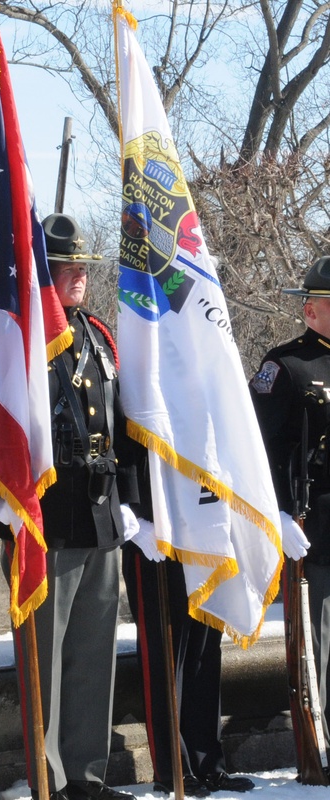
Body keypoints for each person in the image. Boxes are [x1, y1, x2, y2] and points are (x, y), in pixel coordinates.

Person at [10, 213, 139, 800]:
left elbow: (121, 422)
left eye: (83, 267)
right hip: (51, 514)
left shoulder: (98, 335)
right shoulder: (26, 338)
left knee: (92, 652)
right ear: (42, 273)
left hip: (101, 511)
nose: (80, 276)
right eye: (67, 267)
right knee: (47, 652)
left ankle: (85, 774)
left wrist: (130, 502)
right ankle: (46, 776)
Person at [250, 257, 330, 748]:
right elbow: (260, 448)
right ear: (310, 310)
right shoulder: (287, 366)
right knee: (324, 641)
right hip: (316, 526)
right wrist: (278, 512)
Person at [122, 508, 256, 794]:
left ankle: (207, 762)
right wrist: (134, 512)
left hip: (202, 528)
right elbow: (130, 463)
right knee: (165, 657)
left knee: (203, 654)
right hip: (154, 530)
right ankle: (173, 768)